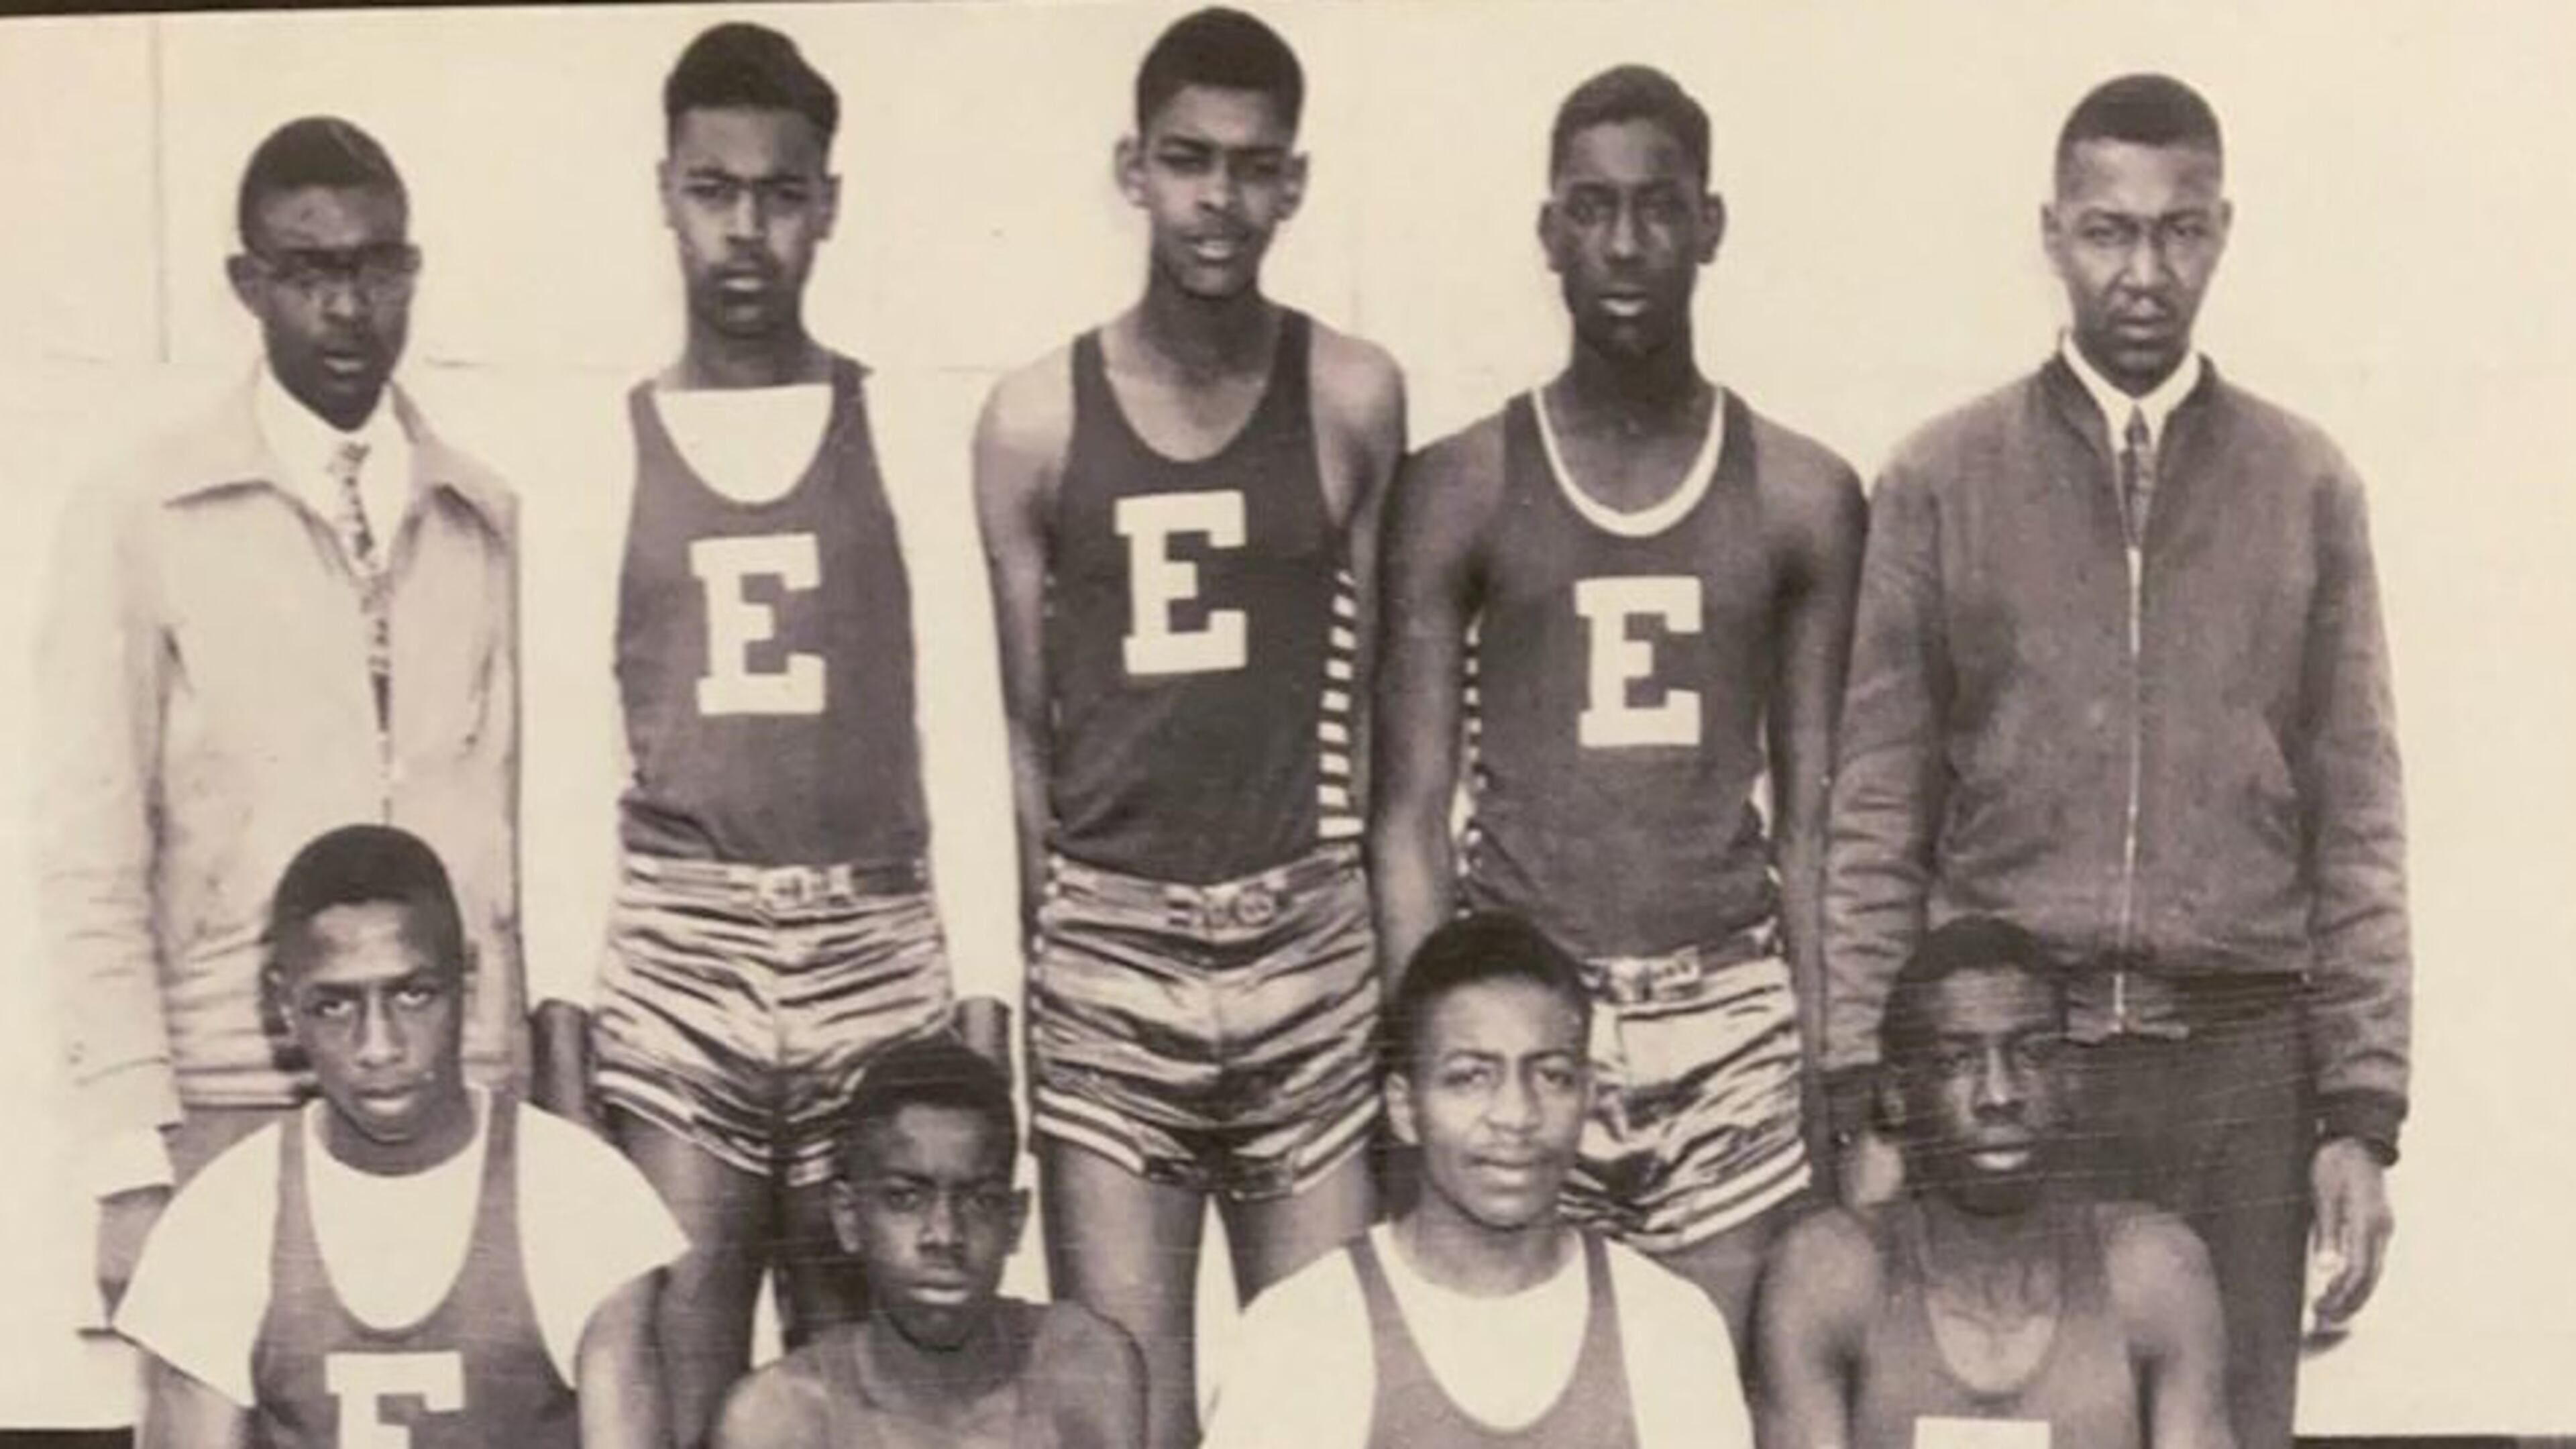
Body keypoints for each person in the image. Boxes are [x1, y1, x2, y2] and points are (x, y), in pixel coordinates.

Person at [1822, 73, 2408, 1449]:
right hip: (2016, 1058)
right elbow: (1877, 810)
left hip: (2245, 1068)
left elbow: (2361, 818)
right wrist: (1870, 1089)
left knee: (2235, 1425)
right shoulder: (1941, 479)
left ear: (2222, 231)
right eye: (2108, 232)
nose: (2144, 271)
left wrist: (2361, 1117)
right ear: (2053, 232)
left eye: (2178, 231)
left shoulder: (2306, 485)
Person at [514, 22, 1015, 1448]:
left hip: (876, 950)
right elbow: (565, 758)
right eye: (713, 190)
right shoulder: (599, 444)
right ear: (665, 193)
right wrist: (567, 1030)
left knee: (882, 1394)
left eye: (780, 194)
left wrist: (983, 1009)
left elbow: (959, 734)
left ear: (828, 205)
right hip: (680, 959)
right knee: (669, 1374)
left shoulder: (907, 429)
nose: (746, 228)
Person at [1370, 63, 1865, 1339]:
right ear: (1550, 234)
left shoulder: (1805, 493)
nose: (1628, 243)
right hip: (1535, 1013)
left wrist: (1832, 1069)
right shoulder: (1462, 483)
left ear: (1711, 222)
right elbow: (1409, 818)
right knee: (1521, 1386)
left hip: (1727, 1018)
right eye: (1592, 209)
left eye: (1658, 207)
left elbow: (1818, 826)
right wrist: (1438, 1059)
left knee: (1721, 1391)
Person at [971, 9, 1404, 1446]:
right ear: (1132, 170)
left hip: (1304, 939)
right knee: (1124, 1402)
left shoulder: (1350, 392)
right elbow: (1026, 740)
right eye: (1187, 161)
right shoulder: (1033, 416)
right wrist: (1061, 959)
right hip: (1112, 948)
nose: (1218, 199)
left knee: (1321, 1396)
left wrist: (1383, 971)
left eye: (1251, 166)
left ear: (1294, 183)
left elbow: (1393, 717)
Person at [35, 115, 523, 1325]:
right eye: (309, 273)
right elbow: (88, 850)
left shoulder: (479, 511)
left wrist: (520, 1090)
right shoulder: (143, 511)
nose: (347, 308)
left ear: (411, 272)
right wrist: (126, 1158)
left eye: (373, 267)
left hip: (446, 1087)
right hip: (227, 1080)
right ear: (247, 285)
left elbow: (513, 830)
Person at [113, 824, 682, 1449]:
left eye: (413, 995)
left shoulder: (583, 1194)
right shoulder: (223, 1217)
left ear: (466, 978)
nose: (379, 1046)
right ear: (283, 1004)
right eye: (335, 1005)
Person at [1202, 911, 1751, 1448]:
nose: (1516, 1114)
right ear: (1404, 1106)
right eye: (1470, 1078)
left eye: (1551, 1076)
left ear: (1587, 1096)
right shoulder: (1306, 1332)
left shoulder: (1665, 1326)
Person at [1758, 916, 2233, 1449]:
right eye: (1956, 1061)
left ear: (2069, 1079)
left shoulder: (2154, 1273)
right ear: (1896, 1096)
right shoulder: (1830, 1274)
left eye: (2030, 1054)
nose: (1999, 1095)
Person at [711, 1035, 1145, 1449]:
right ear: (849, 1217)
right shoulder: (779, 1420)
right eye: (905, 1199)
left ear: (1015, 1221)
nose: (945, 1235)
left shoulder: (1085, 1369)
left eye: (979, 1200)